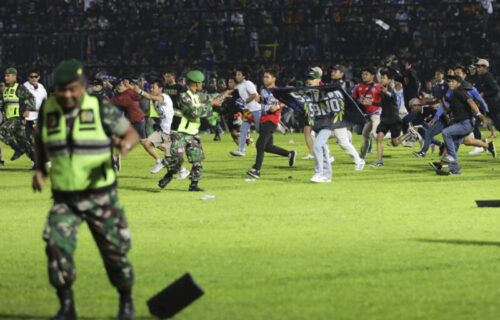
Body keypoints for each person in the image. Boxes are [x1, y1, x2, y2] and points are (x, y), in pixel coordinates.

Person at [32, 59, 139, 320]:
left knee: (114, 253)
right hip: (64, 197)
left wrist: (124, 146)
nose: (67, 95)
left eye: (72, 89)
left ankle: (126, 300)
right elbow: (40, 139)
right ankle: (66, 306)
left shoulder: (100, 108)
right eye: (61, 89)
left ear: (82, 86)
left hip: (100, 194)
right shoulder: (49, 109)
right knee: (56, 247)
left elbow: (131, 134)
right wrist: (39, 168)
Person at [157, 70, 229, 191]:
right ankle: (168, 176)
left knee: (198, 160)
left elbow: (210, 97)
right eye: (201, 83)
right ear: (195, 83)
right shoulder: (183, 96)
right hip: (179, 132)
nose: (202, 85)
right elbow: (194, 113)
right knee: (178, 159)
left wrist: (225, 95)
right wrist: (211, 104)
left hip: (193, 133)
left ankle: (194, 185)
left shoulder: (199, 95)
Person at [246, 70, 297, 179]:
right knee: (267, 147)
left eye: (267, 77)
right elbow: (264, 102)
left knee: (260, 144)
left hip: (271, 120)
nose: (265, 79)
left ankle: (256, 170)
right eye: (264, 77)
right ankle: (290, 154)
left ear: (274, 79)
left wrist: (278, 107)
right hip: (263, 119)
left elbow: (288, 101)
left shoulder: (278, 90)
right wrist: (258, 99)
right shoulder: (264, 90)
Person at [435, 75, 487, 175]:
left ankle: (451, 158)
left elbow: (470, 101)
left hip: (466, 123)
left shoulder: (460, 91)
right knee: (453, 146)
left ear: (458, 83)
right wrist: (442, 101)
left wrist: (479, 114)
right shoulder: (454, 95)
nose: (450, 83)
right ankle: (455, 170)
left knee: (446, 132)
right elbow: (449, 111)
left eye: (453, 81)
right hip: (463, 123)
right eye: (449, 81)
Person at [128, 79, 175, 174]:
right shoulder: (156, 101)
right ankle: (159, 161)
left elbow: (149, 96)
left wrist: (139, 91)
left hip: (170, 131)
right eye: (151, 87)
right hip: (162, 129)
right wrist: (131, 88)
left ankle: (182, 170)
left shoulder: (164, 97)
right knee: (146, 143)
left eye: (154, 87)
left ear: (160, 88)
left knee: (169, 158)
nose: (151, 89)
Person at [330, 64, 365, 170]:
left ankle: (359, 161)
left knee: (343, 142)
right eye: (333, 70)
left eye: (336, 71)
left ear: (341, 74)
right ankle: (328, 157)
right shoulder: (335, 84)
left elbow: (347, 101)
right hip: (332, 117)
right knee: (316, 134)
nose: (333, 72)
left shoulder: (341, 85)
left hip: (339, 117)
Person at [0, 67, 36, 165]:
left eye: (8, 76)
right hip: (9, 119)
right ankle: (37, 162)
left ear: (14, 76)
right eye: (5, 75)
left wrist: (28, 109)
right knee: (25, 142)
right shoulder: (5, 89)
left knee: (2, 130)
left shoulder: (19, 88)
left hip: (18, 118)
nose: (6, 77)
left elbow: (31, 97)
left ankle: (18, 149)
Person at [371, 70, 404, 167]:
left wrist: (387, 92)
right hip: (385, 119)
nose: (381, 79)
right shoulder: (382, 90)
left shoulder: (390, 90)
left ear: (389, 80)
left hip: (394, 119)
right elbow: (382, 103)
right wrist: (371, 103)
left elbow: (390, 96)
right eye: (381, 78)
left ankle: (408, 135)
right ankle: (380, 161)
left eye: (384, 78)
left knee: (395, 143)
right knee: (379, 137)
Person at [352, 67, 382, 161]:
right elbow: (353, 99)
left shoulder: (378, 87)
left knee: (375, 133)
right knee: (365, 135)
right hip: (367, 115)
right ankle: (362, 157)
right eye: (363, 74)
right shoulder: (358, 87)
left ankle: (396, 136)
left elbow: (384, 102)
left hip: (376, 114)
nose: (364, 76)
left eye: (366, 74)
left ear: (372, 76)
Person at [230, 67, 260, 157]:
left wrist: (244, 101)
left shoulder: (248, 83)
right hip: (247, 112)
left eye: (239, 74)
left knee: (260, 130)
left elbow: (254, 94)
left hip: (255, 110)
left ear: (244, 76)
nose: (237, 76)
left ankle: (269, 144)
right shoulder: (238, 86)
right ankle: (241, 150)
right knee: (243, 130)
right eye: (236, 74)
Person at [300, 67, 323, 160]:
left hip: (318, 113)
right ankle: (311, 153)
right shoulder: (308, 86)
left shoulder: (322, 87)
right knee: (307, 131)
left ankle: (326, 154)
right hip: (309, 112)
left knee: (320, 133)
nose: (309, 79)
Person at [475, 59, 500, 136]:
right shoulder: (481, 77)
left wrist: (484, 93)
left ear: (485, 67)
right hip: (485, 105)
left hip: (493, 106)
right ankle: (479, 144)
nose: (477, 68)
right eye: (477, 66)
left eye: (479, 67)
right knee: (474, 121)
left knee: (498, 125)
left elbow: (495, 89)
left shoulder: (488, 76)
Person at [23, 69, 48, 143]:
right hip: (27, 117)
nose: (33, 78)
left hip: (37, 117)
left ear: (38, 77)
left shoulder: (41, 87)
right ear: (28, 78)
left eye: (35, 76)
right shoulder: (24, 87)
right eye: (31, 77)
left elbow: (45, 100)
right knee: (26, 138)